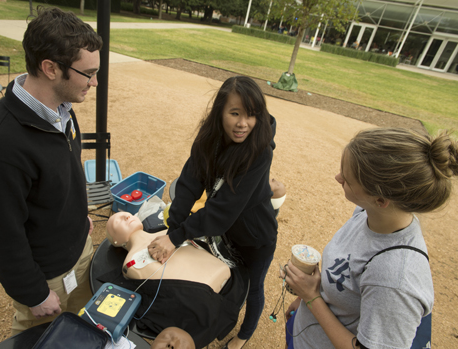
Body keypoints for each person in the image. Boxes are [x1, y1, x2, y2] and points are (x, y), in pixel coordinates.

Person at [0, 6, 103, 335]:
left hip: (79, 248)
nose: (95, 82)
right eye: (88, 73)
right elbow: (0, 236)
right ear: (50, 68)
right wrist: (33, 293)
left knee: (82, 329)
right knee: (40, 341)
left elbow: (65, 169)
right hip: (45, 276)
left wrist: (77, 215)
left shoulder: (62, 108)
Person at [283, 128, 457, 349]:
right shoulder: (369, 214)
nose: (338, 178)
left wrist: (311, 297)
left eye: (346, 179)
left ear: (380, 200)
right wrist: (304, 299)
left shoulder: (394, 278)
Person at [147, 76, 278, 349]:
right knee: (224, 280)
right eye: (235, 113)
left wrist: (177, 237)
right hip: (225, 234)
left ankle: (244, 335)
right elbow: (188, 186)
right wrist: (172, 231)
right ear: (220, 111)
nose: (243, 123)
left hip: (256, 237)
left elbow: (222, 211)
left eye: (252, 115)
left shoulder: (260, 151)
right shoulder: (208, 140)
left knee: (252, 288)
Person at [106, 212, 231, 293]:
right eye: (118, 221)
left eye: (129, 214)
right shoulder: (131, 264)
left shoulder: (169, 233)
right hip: (204, 292)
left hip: (219, 269)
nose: (127, 217)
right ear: (115, 241)